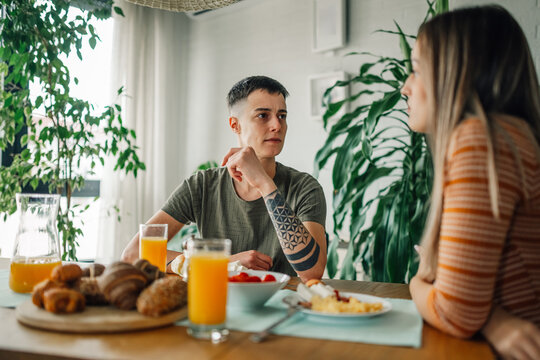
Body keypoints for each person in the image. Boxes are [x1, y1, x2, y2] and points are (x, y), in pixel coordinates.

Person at [401, 6, 540, 359]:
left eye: (416, 69)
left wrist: (417, 282)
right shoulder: (511, 136)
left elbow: (455, 312)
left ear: (456, 74)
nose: (405, 88)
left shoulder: (481, 139)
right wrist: (490, 318)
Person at [122, 76, 327, 282]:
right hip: (211, 301)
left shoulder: (305, 188)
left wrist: (265, 185)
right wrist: (226, 262)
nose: (277, 125)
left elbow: (312, 272)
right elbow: (134, 254)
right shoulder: (201, 185)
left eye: (282, 116)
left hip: (281, 306)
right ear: (235, 125)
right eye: (263, 115)